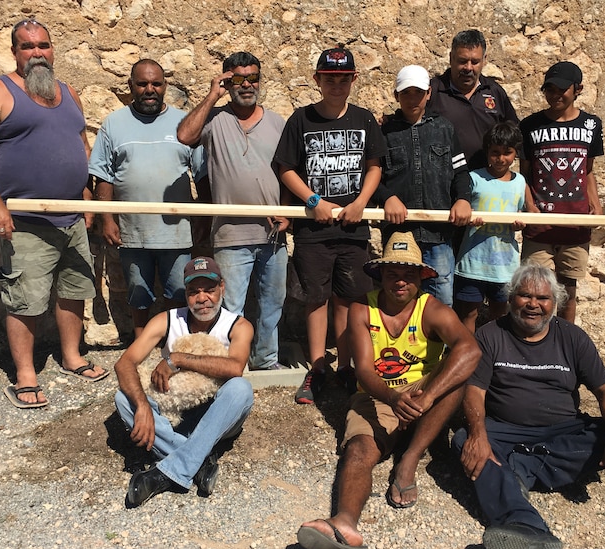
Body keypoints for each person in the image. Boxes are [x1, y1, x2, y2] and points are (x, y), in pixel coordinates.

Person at [295, 232, 481, 549]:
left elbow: (469, 350)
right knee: (358, 449)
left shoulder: (432, 308)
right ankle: (345, 522)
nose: (400, 281)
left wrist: (426, 394)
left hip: (424, 392)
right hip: (378, 394)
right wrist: (394, 399)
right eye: (393, 273)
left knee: (457, 378)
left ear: (421, 277)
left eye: (409, 274)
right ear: (380, 275)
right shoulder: (361, 309)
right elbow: (364, 370)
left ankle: (408, 459)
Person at [0, 19, 108, 409]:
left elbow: (81, 144)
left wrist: (86, 195)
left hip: (72, 216)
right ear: (15, 52)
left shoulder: (68, 93)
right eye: (27, 46)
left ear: (52, 49)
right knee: (24, 299)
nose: (37, 52)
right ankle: (26, 375)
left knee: (74, 290)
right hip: (24, 220)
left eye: (43, 45)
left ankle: (72, 357)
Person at [452, 263, 605, 549]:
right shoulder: (490, 335)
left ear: (555, 303)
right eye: (524, 296)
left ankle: (519, 470)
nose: (533, 305)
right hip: (505, 430)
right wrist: (478, 434)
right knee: (464, 440)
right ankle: (525, 524)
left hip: (562, 430)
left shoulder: (573, 337)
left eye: (543, 298)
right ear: (511, 298)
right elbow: (474, 391)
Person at [274, 46, 387, 404]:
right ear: (317, 80)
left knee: (350, 298)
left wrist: (360, 203)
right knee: (316, 299)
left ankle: (348, 367)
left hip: (353, 229)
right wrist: (313, 201)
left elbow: (375, 166)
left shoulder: (364, 119)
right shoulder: (301, 119)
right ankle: (318, 367)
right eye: (329, 78)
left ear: (353, 79)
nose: (336, 84)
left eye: (343, 78)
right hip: (314, 231)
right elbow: (285, 167)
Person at [176, 51, 289, 370]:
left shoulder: (277, 122)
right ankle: (228, 363)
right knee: (231, 305)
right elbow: (185, 135)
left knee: (272, 303)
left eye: (253, 78)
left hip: (273, 235)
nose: (247, 85)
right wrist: (213, 94)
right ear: (227, 80)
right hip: (230, 234)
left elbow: (291, 172)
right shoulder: (214, 120)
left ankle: (265, 360)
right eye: (238, 79)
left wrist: (288, 214)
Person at [114, 256, 254, 505]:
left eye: (209, 290)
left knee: (240, 389)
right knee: (123, 398)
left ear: (222, 287)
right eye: (193, 292)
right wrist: (143, 406)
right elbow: (125, 363)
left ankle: (164, 471)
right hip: (174, 414)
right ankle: (198, 459)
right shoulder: (166, 320)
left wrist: (177, 359)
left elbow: (235, 368)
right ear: (186, 293)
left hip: (217, 416)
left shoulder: (238, 325)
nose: (202, 299)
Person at [89, 59, 205, 339]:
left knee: (178, 293)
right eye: (142, 84)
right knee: (138, 294)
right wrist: (107, 220)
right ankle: (141, 347)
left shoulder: (183, 123)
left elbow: (201, 175)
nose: (149, 89)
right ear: (131, 86)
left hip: (176, 232)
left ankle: (175, 346)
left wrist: (203, 218)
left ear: (165, 86)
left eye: (156, 83)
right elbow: (103, 176)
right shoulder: (114, 124)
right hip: (132, 231)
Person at [376, 64, 473, 306]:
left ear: (429, 93)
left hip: (437, 234)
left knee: (440, 298)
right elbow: (372, 176)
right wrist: (387, 197)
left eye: (418, 92)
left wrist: (463, 199)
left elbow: (460, 172)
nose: (412, 99)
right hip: (398, 232)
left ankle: (436, 345)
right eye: (406, 93)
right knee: (398, 296)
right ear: (396, 95)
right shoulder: (384, 133)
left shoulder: (444, 129)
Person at [519, 61, 604, 323]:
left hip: (575, 221)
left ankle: (567, 343)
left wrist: (596, 203)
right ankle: (533, 340)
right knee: (533, 288)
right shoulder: (530, 125)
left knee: (568, 289)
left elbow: (588, 170)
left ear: (578, 89)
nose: (555, 95)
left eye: (562, 89)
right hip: (540, 223)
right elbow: (524, 173)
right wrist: (530, 207)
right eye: (549, 89)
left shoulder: (591, 125)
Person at [454, 121, 531, 332]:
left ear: (515, 153)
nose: (501, 158)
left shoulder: (520, 183)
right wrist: (469, 218)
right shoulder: (474, 178)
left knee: (500, 313)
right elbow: (460, 208)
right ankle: (466, 353)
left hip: (504, 266)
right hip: (473, 263)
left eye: (507, 153)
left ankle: (494, 354)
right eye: (495, 152)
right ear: (487, 152)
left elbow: (532, 212)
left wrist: (522, 221)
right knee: (468, 313)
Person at [427, 29, 519, 171]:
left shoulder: (494, 92)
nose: (468, 68)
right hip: (443, 182)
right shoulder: (433, 90)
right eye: (462, 61)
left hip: (485, 182)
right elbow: (410, 116)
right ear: (451, 58)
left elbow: (514, 133)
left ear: (484, 60)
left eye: (475, 62)